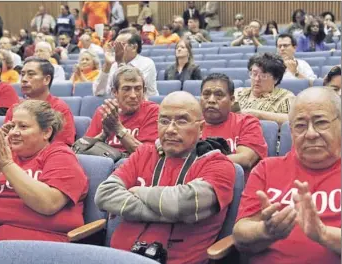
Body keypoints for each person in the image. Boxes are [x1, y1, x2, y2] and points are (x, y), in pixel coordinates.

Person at [95, 91, 235, 264]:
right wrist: (164, 209)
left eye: (182, 121)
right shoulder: (144, 153)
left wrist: (139, 192)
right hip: (117, 258)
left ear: (201, 128)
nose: (170, 129)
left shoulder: (218, 164)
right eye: (164, 121)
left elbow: (183, 205)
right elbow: (104, 195)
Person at [233, 87, 341, 264]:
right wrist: (265, 232)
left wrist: (322, 234)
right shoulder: (266, 169)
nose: (311, 134)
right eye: (300, 125)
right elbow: (239, 235)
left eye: (321, 122)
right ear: (291, 132)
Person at [0, 99, 88, 242]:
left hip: (36, 243)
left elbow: (48, 204)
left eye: (23, 127)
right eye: (12, 126)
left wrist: (7, 165)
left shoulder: (61, 156)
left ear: (46, 132)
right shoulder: (3, 155)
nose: (14, 132)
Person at [200, 73, 267, 177]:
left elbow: (245, 159)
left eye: (219, 95)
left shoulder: (247, 122)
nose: (211, 100)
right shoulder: (192, 124)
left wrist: (198, 162)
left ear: (231, 100)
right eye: (206, 94)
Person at [86, 66, 158, 154]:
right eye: (126, 89)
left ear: (144, 91)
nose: (133, 95)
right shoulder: (104, 111)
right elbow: (85, 149)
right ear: (114, 92)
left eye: (138, 89)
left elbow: (147, 155)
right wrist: (103, 135)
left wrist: (118, 129)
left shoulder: (153, 111)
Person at [4, 57, 75, 146]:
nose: (24, 79)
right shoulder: (15, 108)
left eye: (31, 74)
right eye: (22, 74)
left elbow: (63, 145)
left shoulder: (59, 108)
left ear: (46, 79)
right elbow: (6, 142)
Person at [92, 29, 158, 97]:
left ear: (134, 47)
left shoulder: (147, 63)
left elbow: (130, 90)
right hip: (117, 104)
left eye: (120, 45)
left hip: (143, 104)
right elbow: (98, 92)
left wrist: (120, 62)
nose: (115, 48)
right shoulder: (113, 64)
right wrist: (107, 65)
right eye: (115, 44)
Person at [234, 53, 295, 126]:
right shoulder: (238, 92)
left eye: (263, 76)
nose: (257, 79)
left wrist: (257, 115)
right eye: (254, 74)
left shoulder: (285, 97)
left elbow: (293, 120)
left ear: (276, 79)